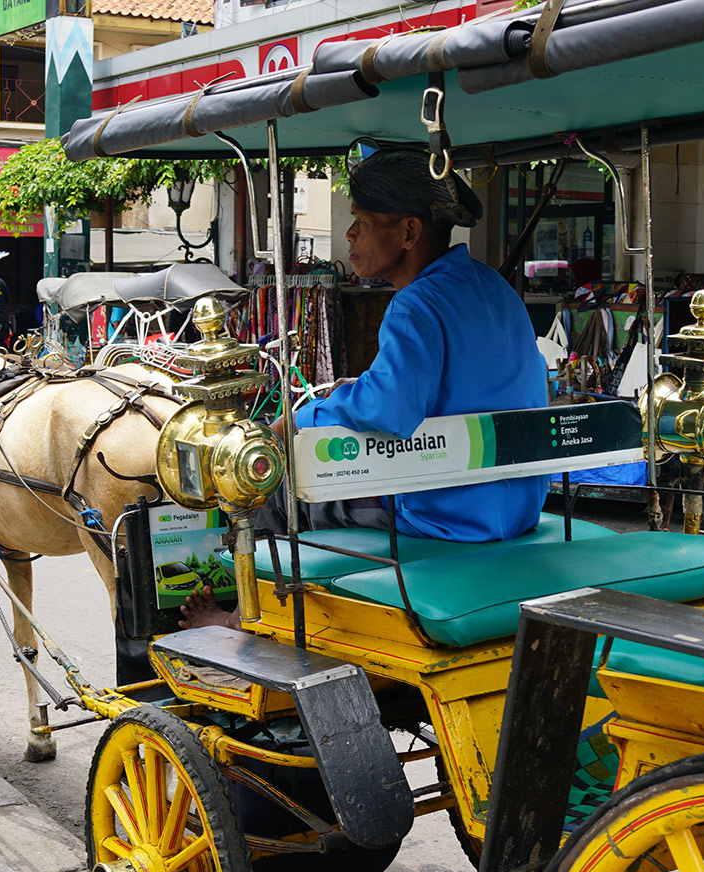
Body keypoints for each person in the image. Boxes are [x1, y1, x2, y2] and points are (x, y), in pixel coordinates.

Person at [182, 148, 547, 627]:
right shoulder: (494, 287)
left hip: (449, 518)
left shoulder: (416, 304)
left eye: (362, 221)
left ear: (409, 232)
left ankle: (244, 619)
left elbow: (388, 412)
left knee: (274, 482)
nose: (350, 235)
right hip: (517, 505)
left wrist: (296, 419)